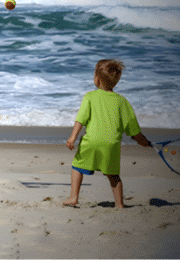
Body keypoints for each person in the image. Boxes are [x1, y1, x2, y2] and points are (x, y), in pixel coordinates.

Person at [64, 59, 151, 208]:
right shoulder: (122, 101)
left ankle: (73, 197)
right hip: (111, 145)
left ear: (96, 79)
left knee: (77, 166)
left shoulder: (90, 96)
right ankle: (119, 204)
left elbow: (81, 119)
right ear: (116, 81)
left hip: (91, 142)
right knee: (113, 176)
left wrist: (73, 137)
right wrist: (142, 141)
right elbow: (133, 128)